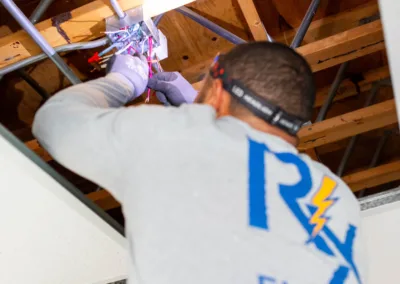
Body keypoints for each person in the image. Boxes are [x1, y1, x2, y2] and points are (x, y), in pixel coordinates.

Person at [33, 42, 364, 284]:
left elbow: (55, 123)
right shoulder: (338, 195)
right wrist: (204, 111)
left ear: (219, 90)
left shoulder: (178, 139)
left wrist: (122, 83)